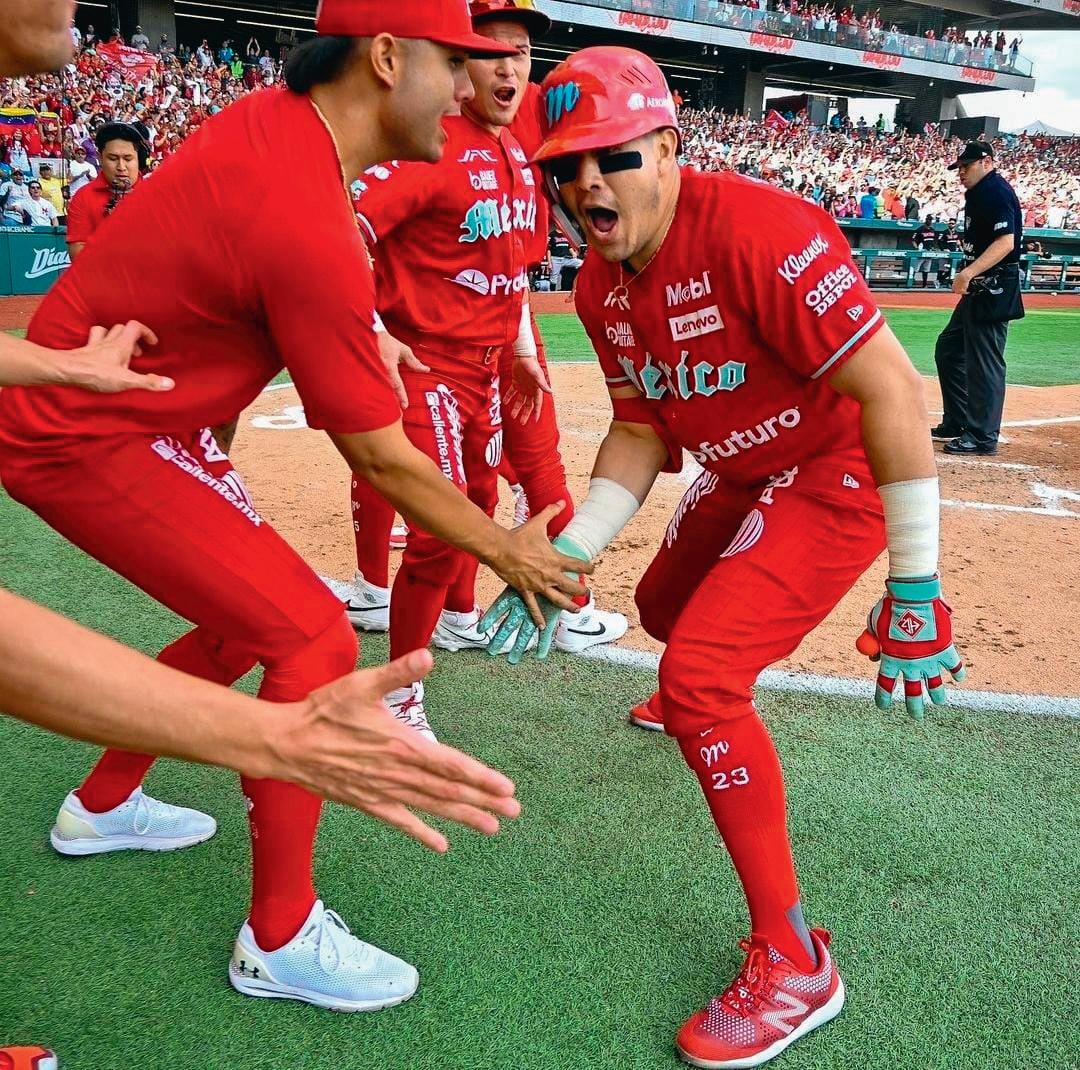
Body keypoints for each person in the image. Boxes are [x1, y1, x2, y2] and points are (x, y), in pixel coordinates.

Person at [0, 0, 584, 1012]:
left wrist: (369, 328)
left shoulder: (282, 134)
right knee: (312, 633)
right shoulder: (302, 204)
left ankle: (101, 802)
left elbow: (286, 267)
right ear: (387, 59)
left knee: (251, 621)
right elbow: (383, 459)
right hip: (87, 432)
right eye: (453, 63)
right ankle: (277, 936)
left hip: (135, 419)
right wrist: (509, 551)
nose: (466, 88)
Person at [483, 46, 966, 1067]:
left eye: (612, 157)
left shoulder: (761, 231)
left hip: (832, 467)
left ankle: (796, 961)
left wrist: (916, 579)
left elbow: (890, 389)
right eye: (564, 167)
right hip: (742, 466)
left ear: (667, 149)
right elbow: (639, 431)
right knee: (664, 612)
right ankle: (699, 695)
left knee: (699, 675)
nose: (586, 184)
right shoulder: (601, 288)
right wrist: (568, 555)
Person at [338, 0, 616, 740]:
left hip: (487, 370)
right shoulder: (430, 145)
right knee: (438, 530)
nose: (509, 67)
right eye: (490, 52)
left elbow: (513, 272)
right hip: (425, 366)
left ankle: (447, 621)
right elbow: (339, 224)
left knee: (481, 502)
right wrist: (371, 329)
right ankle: (397, 696)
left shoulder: (519, 160)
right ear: (459, 66)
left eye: (520, 53)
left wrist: (520, 351)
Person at [932, 141, 1023, 456]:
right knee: (949, 349)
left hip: (993, 287)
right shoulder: (978, 193)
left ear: (987, 162)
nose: (961, 172)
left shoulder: (995, 191)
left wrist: (969, 272)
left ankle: (982, 436)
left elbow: (1006, 242)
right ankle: (958, 421)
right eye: (959, 167)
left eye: (966, 166)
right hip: (980, 286)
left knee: (985, 364)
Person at [66, 122, 146, 257]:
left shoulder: (156, 195)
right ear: (100, 158)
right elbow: (79, 256)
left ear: (139, 158)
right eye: (113, 159)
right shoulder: (83, 197)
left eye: (128, 159)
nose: (121, 167)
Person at [913, 213, 938, 287]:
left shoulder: (932, 230)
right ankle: (910, 282)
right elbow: (913, 240)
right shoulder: (920, 229)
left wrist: (933, 248)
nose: (930, 221)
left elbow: (932, 241)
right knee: (916, 268)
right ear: (926, 220)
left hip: (929, 251)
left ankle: (924, 285)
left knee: (926, 269)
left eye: (931, 220)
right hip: (922, 250)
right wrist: (917, 248)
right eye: (929, 220)